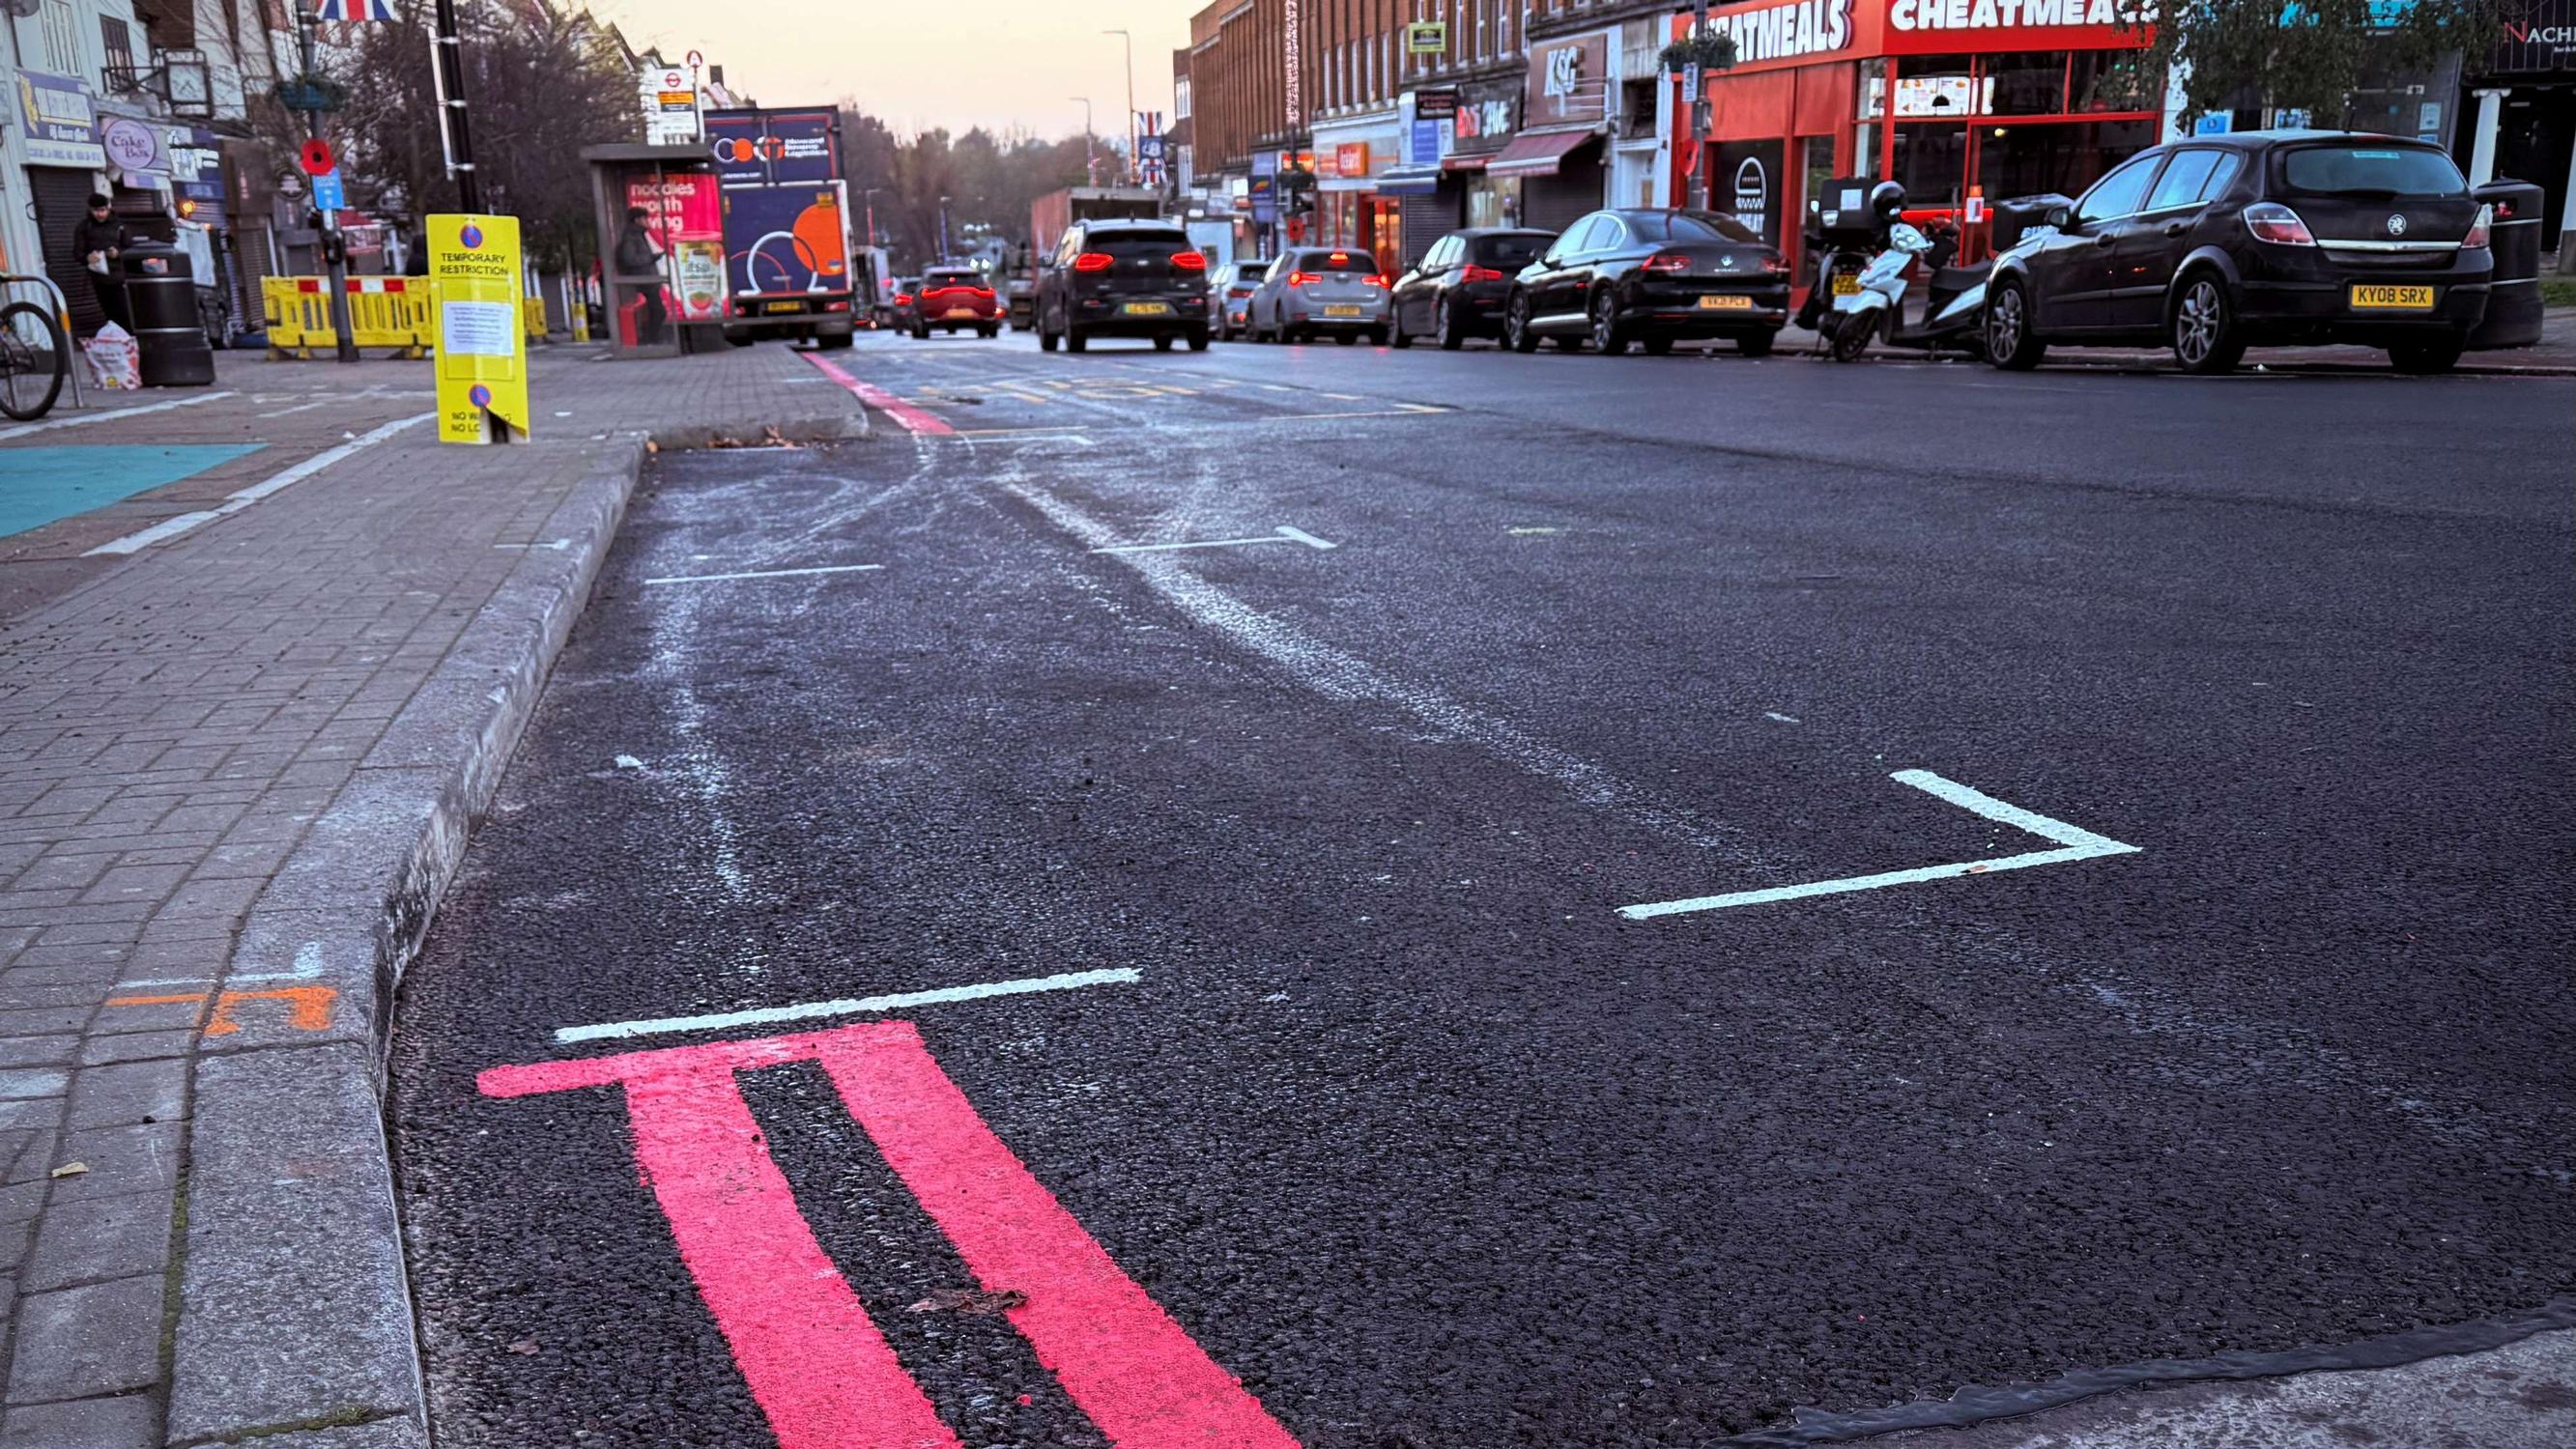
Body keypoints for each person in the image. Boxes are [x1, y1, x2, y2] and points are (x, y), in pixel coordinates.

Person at [72, 194, 132, 335]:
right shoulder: (84, 227)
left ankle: (129, 338)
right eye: (96, 210)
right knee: (109, 312)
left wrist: (118, 253)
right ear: (90, 209)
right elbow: (77, 252)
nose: (99, 214)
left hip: (120, 276)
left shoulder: (119, 225)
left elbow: (130, 247)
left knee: (125, 311)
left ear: (108, 208)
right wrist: (87, 258)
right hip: (99, 277)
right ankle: (116, 340)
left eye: (102, 210)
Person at [615, 205, 668, 344]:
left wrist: (654, 257)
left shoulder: (638, 235)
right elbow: (630, 259)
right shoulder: (631, 237)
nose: (647, 221)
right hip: (644, 280)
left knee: (656, 311)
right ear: (637, 220)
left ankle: (651, 339)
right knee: (659, 312)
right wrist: (651, 258)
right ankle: (650, 339)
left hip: (647, 278)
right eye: (645, 218)